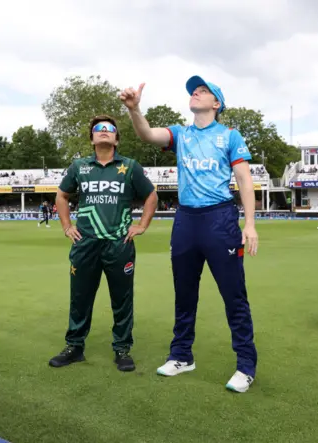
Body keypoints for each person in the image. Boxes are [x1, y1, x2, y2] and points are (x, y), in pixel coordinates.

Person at [120, 76, 259, 393]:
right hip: (185, 220)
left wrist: (249, 223)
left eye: (203, 90)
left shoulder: (229, 136)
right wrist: (134, 109)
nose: (195, 92)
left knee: (233, 296)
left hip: (219, 219)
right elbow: (146, 134)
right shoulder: (180, 134)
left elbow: (244, 180)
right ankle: (181, 355)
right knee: (184, 294)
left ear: (216, 103)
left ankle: (246, 365)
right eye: (193, 90)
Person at [49, 115, 158, 372]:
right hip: (85, 243)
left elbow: (151, 195)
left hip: (119, 244)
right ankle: (74, 347)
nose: (104, 131)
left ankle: (122, 348)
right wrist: (67, 227)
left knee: (122, 299)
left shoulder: (130, 167)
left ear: (117, 139)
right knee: (80, 298)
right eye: (98, 129)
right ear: (92, 139)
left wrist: (142, 225)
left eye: (110, 129)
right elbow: (61, 196)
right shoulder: (79, 167)